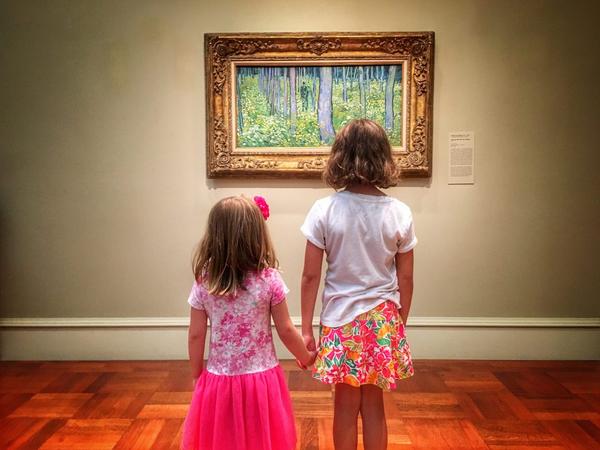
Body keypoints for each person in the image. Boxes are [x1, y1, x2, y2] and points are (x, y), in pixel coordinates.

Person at [300, 119, 416, 450]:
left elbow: (310, 275)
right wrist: (399, 321)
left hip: (341, 321)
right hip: (382, 318)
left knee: (345, 407)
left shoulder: (325, 209)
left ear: (340, 157)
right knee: (375, 407)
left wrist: (306, 327)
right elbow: (405, 277)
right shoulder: (399, 212)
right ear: (383, 158)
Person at [182, 195, 316, 450]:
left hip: (219, 377)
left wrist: (197, 375)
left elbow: (195, 335)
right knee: (260, 436)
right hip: (261, 378)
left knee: (222, 436)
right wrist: (306, 356)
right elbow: (286, 329)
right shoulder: (269, 279)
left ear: (214, 235)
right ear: (257, 234)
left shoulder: (205, 281)